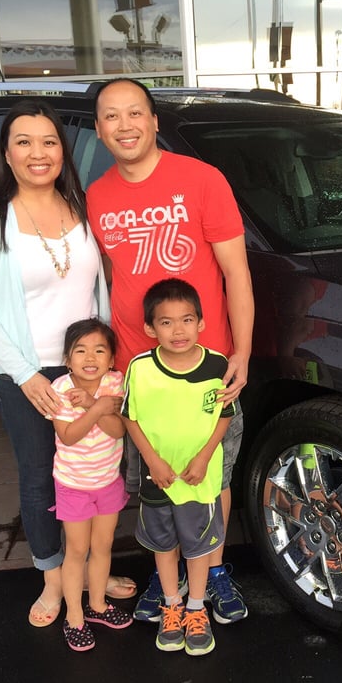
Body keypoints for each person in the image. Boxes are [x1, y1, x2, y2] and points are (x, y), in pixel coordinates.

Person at [0, 98, 135, 629]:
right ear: (7, 154)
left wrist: (110, 366)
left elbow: (101, 288)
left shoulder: (81, 207)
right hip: (28, 371)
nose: (39, 153)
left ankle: (93, 572)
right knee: (41, 477)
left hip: (89, 368)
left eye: (49, 141)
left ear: (64, 150)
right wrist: (26, 375)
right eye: (24, 142)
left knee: (100, 469)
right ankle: (54, 577)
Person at [87, 78, 254, 625]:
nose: (125, 125)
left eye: (135, 112)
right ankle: (169, 581)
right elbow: (108, 279)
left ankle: (215, 570)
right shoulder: (97, 196)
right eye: (112, 116)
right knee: (155, 483)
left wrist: (242, 352)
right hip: (140, 372)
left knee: (213, 478)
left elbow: (236, 273)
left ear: (155, 121)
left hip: (207, 365)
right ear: (99, 129)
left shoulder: (202, 180)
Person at [122, 279, 235, 656]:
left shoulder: (217, 365)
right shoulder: (140, 369)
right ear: (150, 328)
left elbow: (225, 415)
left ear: (201, 322)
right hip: (159, 480)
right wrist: (153, 461)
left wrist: (203, 458)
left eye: (186, 320)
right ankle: (171, 606)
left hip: (200, 481)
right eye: (166, 322)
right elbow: (130, 418)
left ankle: (196, 608)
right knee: (165, 546)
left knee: (198, 548)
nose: (178, 330)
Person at [51, 319, 133, 651]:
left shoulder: (115, 382)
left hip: (108, 481)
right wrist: (96, 406)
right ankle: (74, 617)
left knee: (103, 546)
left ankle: (97, 605)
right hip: (73, 484)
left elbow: (119, 431)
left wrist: (93, 404)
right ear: (67, 359)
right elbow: (68, 436)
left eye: (99, 350)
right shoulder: (60, 389)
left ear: (111, 359)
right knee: (76, 550)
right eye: (80, 351)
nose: (90, 357)